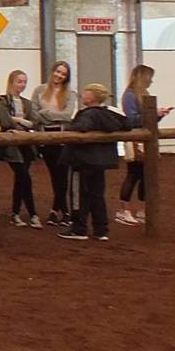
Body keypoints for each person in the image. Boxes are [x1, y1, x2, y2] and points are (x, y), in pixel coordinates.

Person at [60, 84, 127, 242]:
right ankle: (101, 229)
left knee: (79, 195)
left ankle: (79, 228)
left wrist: (67, 127)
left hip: (81, 161)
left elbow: (82, 127)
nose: (82, 95)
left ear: (91, 97)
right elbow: (128, 123)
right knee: (97, 195)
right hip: (99, 162)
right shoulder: (109, 114)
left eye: (85, 92)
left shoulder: (87, 114)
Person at [118, 65, 172, 226]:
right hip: (135, 138)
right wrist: (153, 114)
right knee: (134, 174)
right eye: (150, 78)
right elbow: (131, 119)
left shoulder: (144, 95)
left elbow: (147, 119)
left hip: (145, 139)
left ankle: (142, 210)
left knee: (145, 176)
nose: (152, 81)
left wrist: (158, 115)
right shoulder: (129, 95)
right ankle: (124, 210)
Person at [32, 61, 76, 226]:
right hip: (45, 136)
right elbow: (34, 115)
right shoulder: (39, 90)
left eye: (63, 74)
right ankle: (61, 210)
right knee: (54, 174)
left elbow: (67, 115)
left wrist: (46, 114)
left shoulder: (70, 93)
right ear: (53, 71)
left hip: (62, 136)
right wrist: (53, 115)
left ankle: (58, 210)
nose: (59, 76)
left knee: (62, 174)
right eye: (58, 72)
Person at [0, 70, 40, 227]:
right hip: (12, 146)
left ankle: (17, 213)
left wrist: (18, 120)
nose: (22, 85)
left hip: (26, 144)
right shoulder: (2, 101)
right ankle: (31, 213)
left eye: (24, 82)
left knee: (22, 179)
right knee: (23, 177)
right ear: (11, 82)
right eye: (19, 81)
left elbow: (35, 121)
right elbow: (5, 121)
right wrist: (22, 122)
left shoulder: (27, 103)